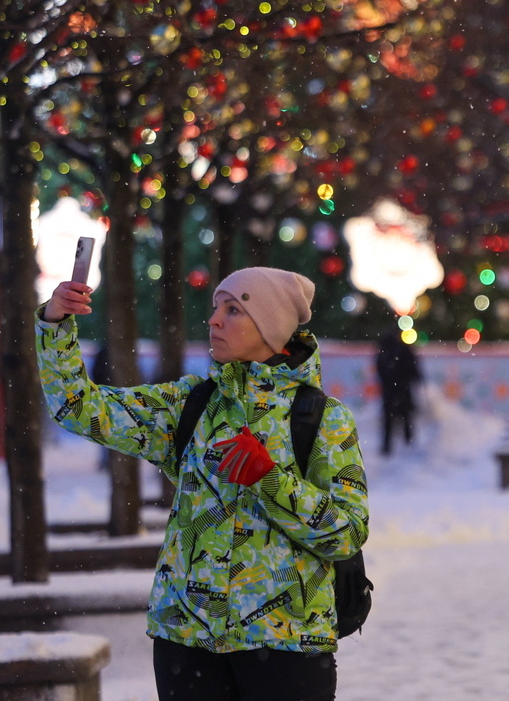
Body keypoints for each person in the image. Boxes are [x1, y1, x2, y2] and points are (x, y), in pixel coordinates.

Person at [35, 267, 368, 701]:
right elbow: (79, 407)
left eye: (233, 310)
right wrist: (56, 323)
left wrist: (271, 481)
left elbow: (347, 534)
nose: (214, 320)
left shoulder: (322, 418)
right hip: (187, 642)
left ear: (272, 328)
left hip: (286, 646)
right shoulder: (190, 405)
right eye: (215, 309)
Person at [375, 330, 422, 456]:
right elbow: (413, 369)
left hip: (389, 391)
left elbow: (380, 370)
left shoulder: (384, 350)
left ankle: (386, 447)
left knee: (389, 421)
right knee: (406, 418)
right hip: (403, 390)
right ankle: (409, 445)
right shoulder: (404, 349)